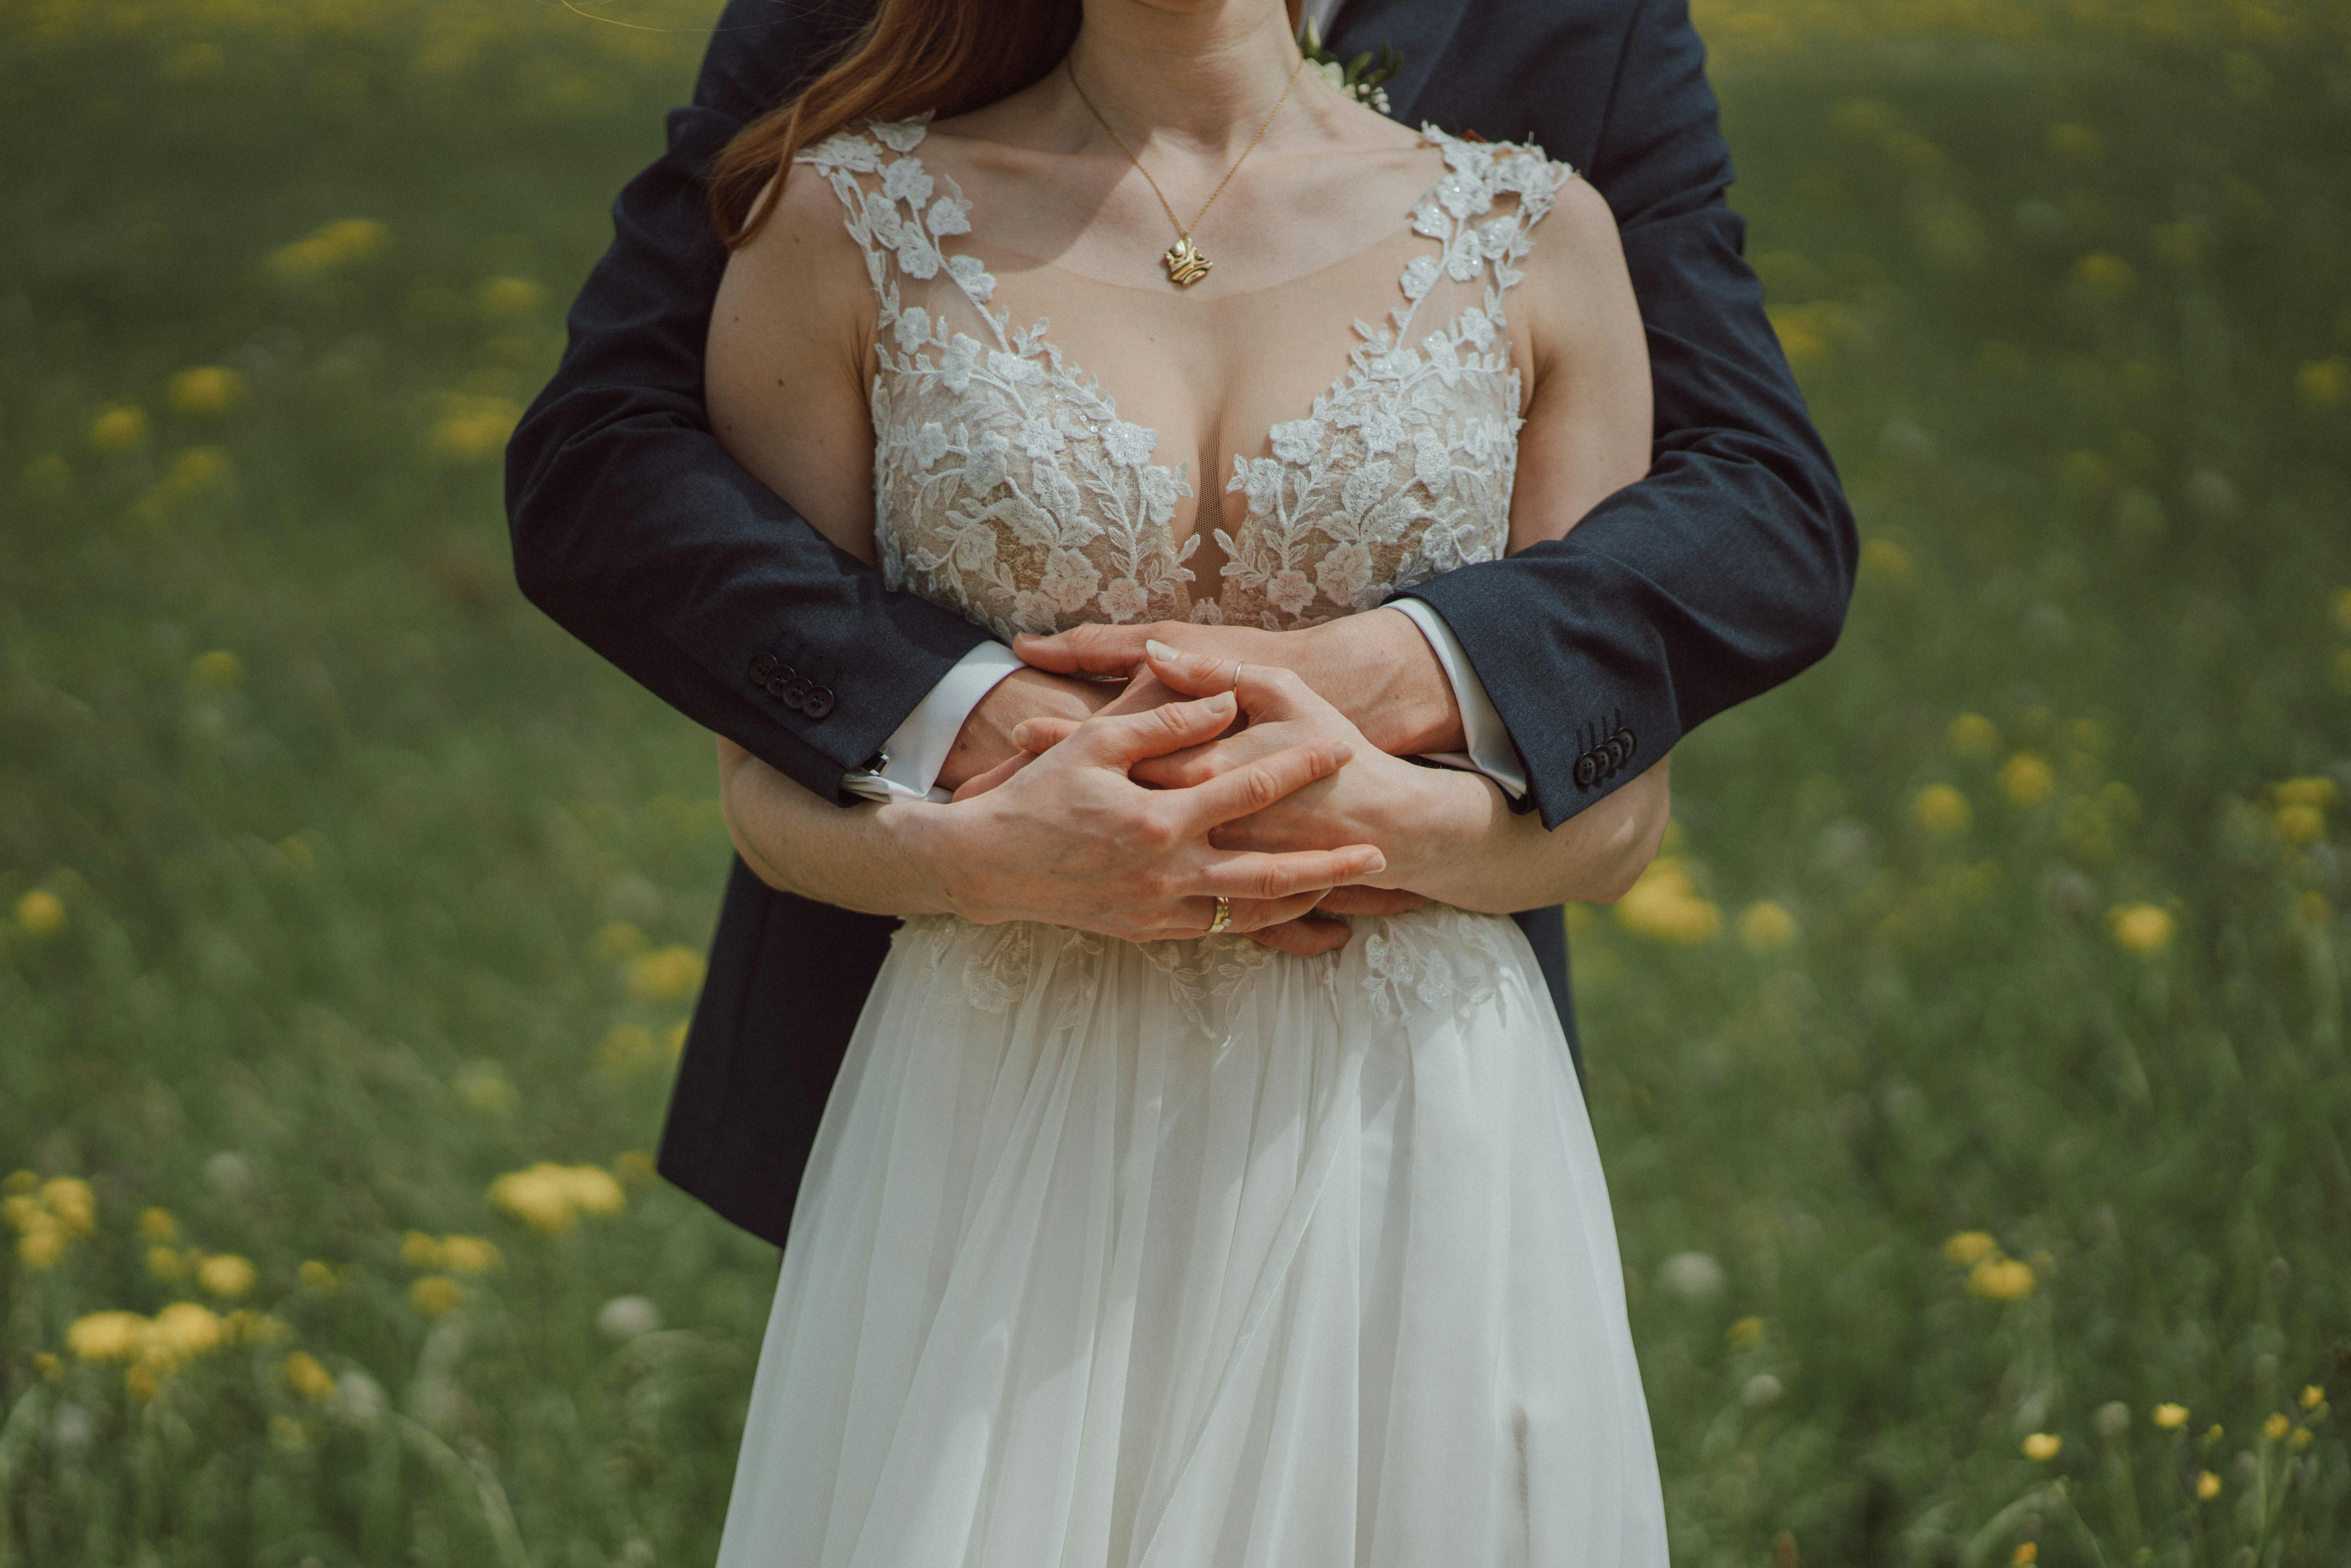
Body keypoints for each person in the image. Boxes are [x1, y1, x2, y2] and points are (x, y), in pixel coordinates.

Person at [505, 0, 1853, 1257]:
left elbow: (1757, 498)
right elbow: (610, 452)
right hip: (974, 1059)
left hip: (1408, 1084)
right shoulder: (847, 201)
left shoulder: (1549, 173)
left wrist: (1402, 681)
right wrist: (968, 720)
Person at [674, 0, 1693, 1545]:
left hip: (1414, 1111)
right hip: (998, 1090)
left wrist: (1381, 829)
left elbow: (1614, 810)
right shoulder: (839, 223)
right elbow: (767, 791)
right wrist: (981, 859)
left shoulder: (1540, 235)